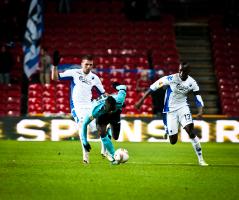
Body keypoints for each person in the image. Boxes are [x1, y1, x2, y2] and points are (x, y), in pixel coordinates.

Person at [135, 62, 208, 166]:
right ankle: (168, 128)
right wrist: (141, 101)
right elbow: (153, 87)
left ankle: (201, 159)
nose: (181, 73)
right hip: (170, 110)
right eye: (180, 70)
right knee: (173, 141)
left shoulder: (192, 82)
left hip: (183, 107)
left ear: (188, 71)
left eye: (184, 71)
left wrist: (200, 110)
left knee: (190, 131)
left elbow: (197, 96)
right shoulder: (171, 78)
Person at [51, 54, 107, 162]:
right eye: (86, 64)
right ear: (82, 64)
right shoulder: (74, 73)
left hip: (90, 106)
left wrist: (116, 99)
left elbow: (103, 94)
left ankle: (104, 150)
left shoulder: (95, 78)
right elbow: (55, 77)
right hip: (77, 107)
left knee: (101, 126)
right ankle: (86, 158)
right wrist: (55, 65)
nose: (88, 67)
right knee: (82, 125)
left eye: (91, 65)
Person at [81, 84, 127, 164]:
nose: (110, 111)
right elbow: (84, 124)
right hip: (102, 115)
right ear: (105, 105)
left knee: (115, 137)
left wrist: (117, 86)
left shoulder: (119, 99)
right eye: (109, 109)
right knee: (101, 132)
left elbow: (123, 88)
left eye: (111, 109)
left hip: (115, 114)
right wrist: (85, 141)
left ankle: (109, 130)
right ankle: (114, 157)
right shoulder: (95, 110)